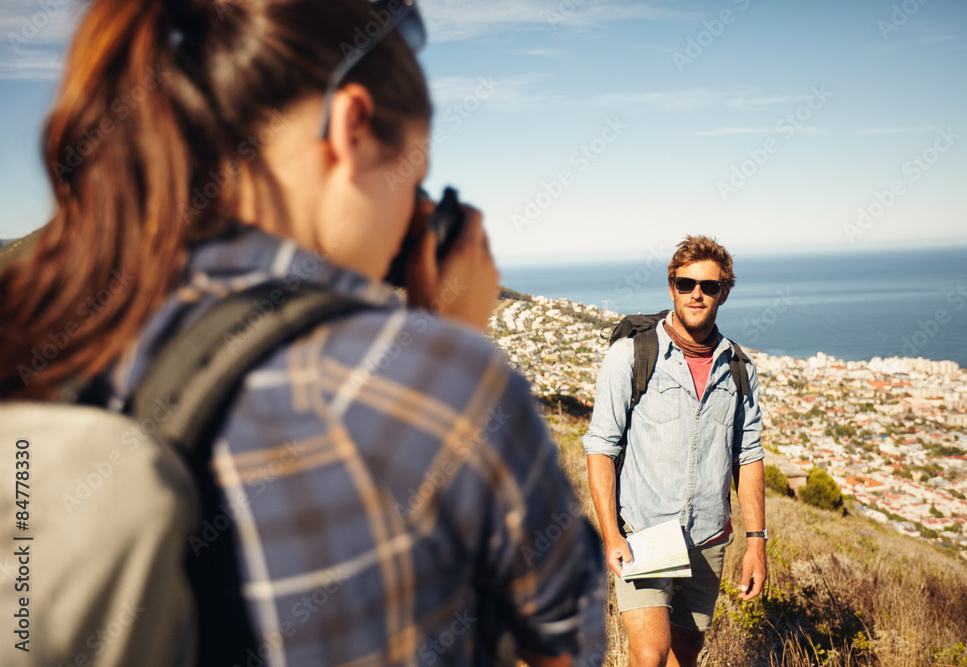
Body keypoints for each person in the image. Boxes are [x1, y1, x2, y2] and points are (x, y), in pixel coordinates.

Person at [0, 0, 605, 664]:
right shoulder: (444, 383)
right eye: (415, 175)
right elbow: (565, 646)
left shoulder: (51, 324)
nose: (412, 211)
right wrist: (450, 345)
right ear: (350, 126)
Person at [582, 235, 765, 667]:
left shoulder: (740, 370)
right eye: (685, 284)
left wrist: (757, 543)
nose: (696, 294)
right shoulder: (631, 356)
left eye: (709, 286)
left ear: (724, 293)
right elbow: (600, 448)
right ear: (671, 288)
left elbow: (749, 457)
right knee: (650, 656)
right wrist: (611, 534)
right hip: (643, 533)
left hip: (708, 539)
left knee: (686, 654)